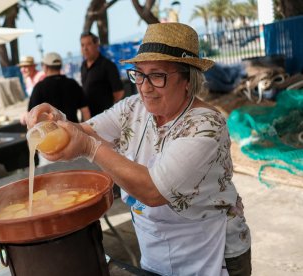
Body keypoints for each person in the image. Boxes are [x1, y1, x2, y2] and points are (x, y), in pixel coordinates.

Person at [23, 23, 251, 275]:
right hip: (155, 248)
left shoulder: (205, 125)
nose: (144, 86)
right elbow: (85, 130)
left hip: (209, 249)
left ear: (188, 78)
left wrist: (89, 148)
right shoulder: (133, 108)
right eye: (139, 73)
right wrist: (56, 123)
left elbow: (153, 191)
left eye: (157, 75)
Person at [28, 52, 90, 123]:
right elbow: (85, 111)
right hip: (73, 130)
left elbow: (32, 116)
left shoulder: (39, 88)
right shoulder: (73, 84)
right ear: (60, 66)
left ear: (45, 67)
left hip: (51, 133)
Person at [80, 31, 124, 116]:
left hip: (104, 117)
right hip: (89, 117)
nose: (85, 48)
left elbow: (119, 92)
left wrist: (108, 109)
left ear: (96, 45)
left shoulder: (107, 65)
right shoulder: (83, 66)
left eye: (88, 44)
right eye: (82, 45)